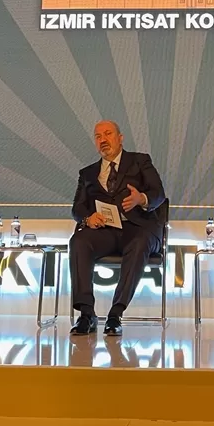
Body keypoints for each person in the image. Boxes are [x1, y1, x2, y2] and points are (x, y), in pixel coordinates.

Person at [69, 120, 166, 336]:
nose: (103, 140)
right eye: (98, 136)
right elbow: (77, 208)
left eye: (108, 134)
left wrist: (141, 198)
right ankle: (86, 314)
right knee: (79, 241)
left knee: (139, 242)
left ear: (120, 138)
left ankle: (115, 314)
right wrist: (88, 218)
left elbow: (159, 194)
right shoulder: (87, 174)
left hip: (139, 228)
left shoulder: (140, 161)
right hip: (106, 231)